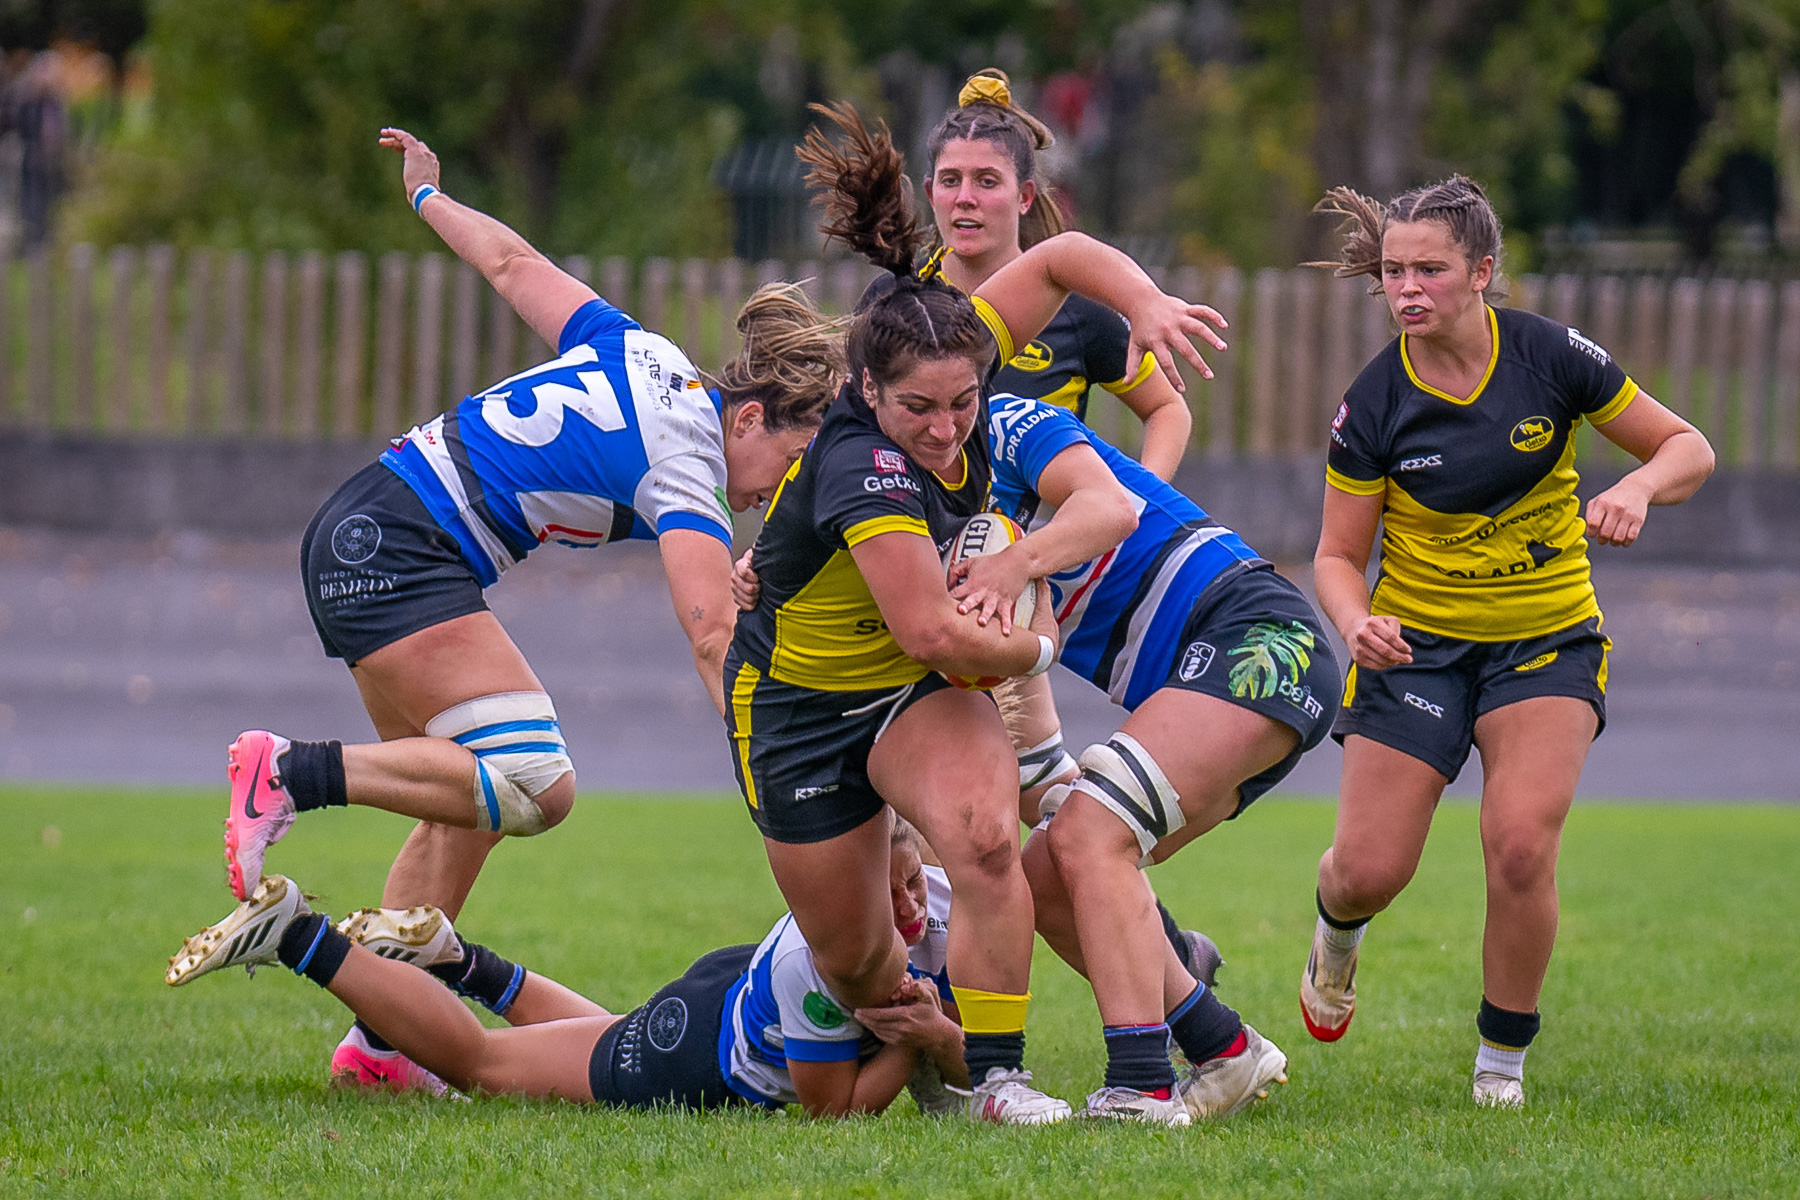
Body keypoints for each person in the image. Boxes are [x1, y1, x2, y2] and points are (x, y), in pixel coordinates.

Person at [221, 127, 838, 1090]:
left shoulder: (648, 353)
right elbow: (711, 628)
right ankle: (288, 772)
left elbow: (512, 264)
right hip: (399, 548)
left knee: (461, 810)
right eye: (789, 470)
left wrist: (428, 196)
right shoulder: (694, 467)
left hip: (366, 523)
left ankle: (378, 1051)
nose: (776, 498)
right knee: (537, 784)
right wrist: (768, 760)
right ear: (751, 418)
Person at [723, 101, 1226, 1125]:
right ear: (869, 389)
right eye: (921, 411)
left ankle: (998, 1080)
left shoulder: (951, 347)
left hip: (914, 693)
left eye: (965, 405)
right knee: (862, 958)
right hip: (801, 709)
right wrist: (1042, 638)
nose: (949, 431)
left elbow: (1066, 256)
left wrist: (1147, 303)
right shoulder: (864, 462)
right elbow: (934, 635)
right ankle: (920, 1044)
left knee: (989, 839)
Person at [1298, 178, 1715, 1108]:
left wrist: (1638, 489)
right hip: (1418, 652)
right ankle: (1336, 933)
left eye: (1430, 270)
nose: (1407, 288)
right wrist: (1352, 618)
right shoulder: (1373, 403)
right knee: (1369, 870)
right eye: (1395, 270)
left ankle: (1500, 1064)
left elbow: (1688, 447)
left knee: (1522, 846)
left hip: (1547, 640)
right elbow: (1334, 555)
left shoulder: (1549, 356)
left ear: (1481, 273)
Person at [166, 818, 971, 1118]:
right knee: (480, 1065)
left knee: (597, 1041)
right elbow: (832, 1113)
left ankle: (453, 959)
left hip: (727, 992)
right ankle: (297, 935)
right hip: (691, 1059)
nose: (907, 906)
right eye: (883, 892)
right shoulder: (821, 965)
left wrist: (941, 1032)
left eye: (910, 880)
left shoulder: (934, 897)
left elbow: (983, 1053)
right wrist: (916, 1038)